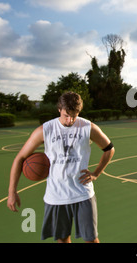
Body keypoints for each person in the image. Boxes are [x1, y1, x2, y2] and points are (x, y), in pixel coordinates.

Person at [7, 91, 115, 243]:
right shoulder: (45, 130)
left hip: (83, 194)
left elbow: (109, 149)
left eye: (74, 115)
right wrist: (12, 191)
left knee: (91, 240)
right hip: (56, 196)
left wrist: (96, 173)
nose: (70, 120)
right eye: (66, 115)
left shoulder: (87, 127)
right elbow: (20, 158)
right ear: (59, 109)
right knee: (62, 239)